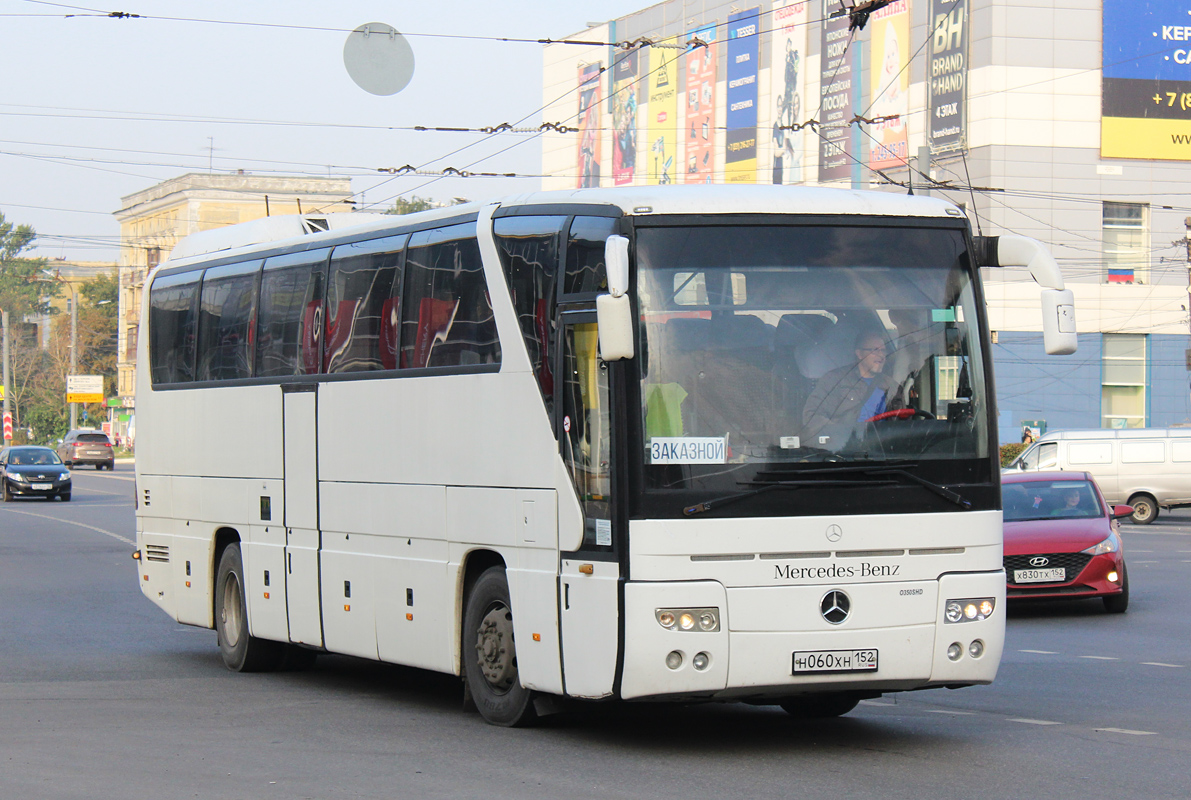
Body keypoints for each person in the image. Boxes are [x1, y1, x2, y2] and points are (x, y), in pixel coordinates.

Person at [802, 330, 897, 447]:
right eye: (875, 350)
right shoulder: (835, 380)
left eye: (883, 350)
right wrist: (839, 433)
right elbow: (811, 415)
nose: (881, 355)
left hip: (883, 450)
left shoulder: (891, 386)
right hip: (843, 451)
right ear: (859, 353)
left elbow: (902, 423)